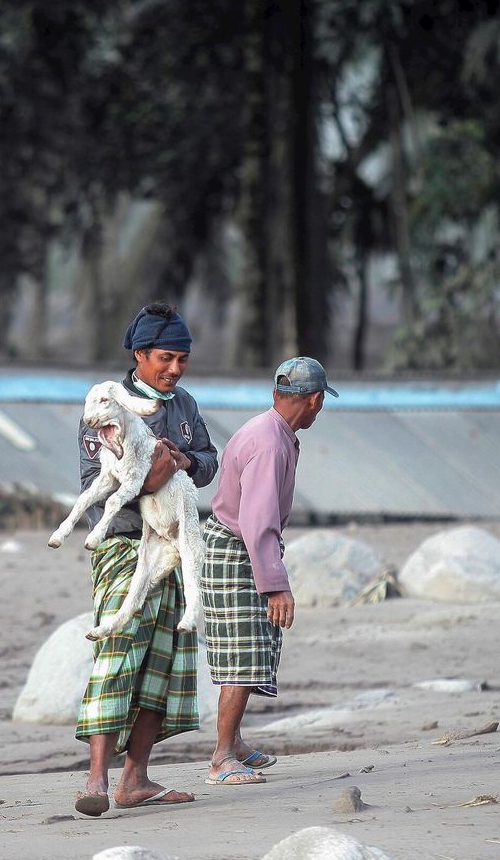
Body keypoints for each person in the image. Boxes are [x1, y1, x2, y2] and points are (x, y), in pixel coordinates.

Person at [72, 302, 218, 815]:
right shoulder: (104, 407)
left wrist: (183, 460)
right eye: (165, 358)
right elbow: (94, 485)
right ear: (140, 356)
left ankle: (134, 780)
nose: (174, 369)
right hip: (122, 545)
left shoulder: (186, 407)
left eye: (182, 359)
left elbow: (207, 461)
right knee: (115, 649)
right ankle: (95, 781)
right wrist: (151, 480)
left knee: (165, 662)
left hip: (174, 549)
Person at [199, 355, 336, 785]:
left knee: (252, 647)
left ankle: (234, 742)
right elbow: (258, 521)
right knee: (243, 655)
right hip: (238, 548)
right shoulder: (272, 442)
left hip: (238, 544)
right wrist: (276, 585)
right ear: (314, 401)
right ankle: (222, 756)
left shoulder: (268, 429)